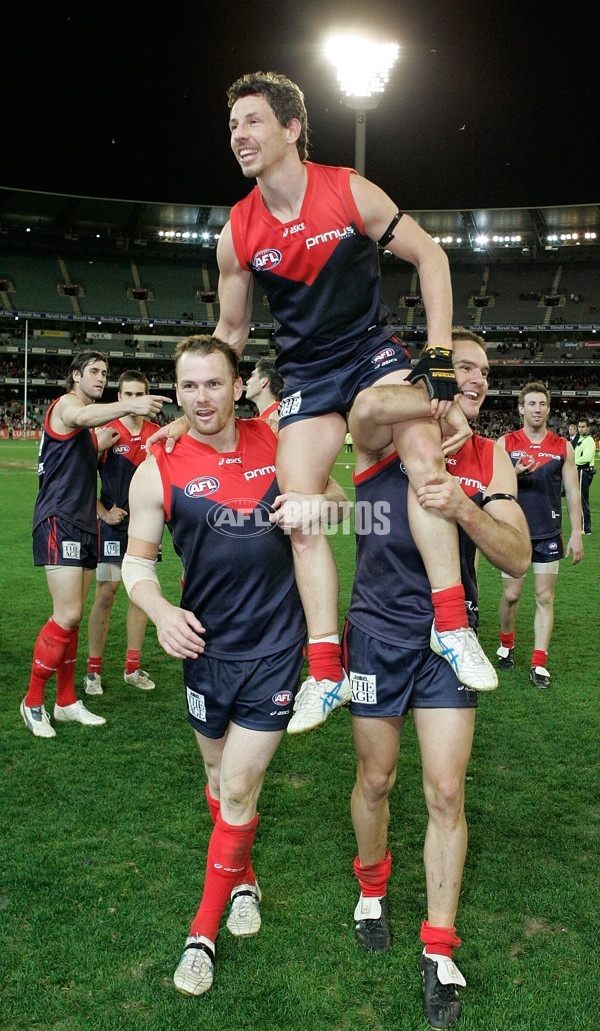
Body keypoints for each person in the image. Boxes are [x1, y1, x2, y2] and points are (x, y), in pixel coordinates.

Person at [153, 70, 497, 734]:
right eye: (231, 126)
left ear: (291, 128)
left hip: (370, 349)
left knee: (424, 453)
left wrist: (435, 361)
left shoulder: (347, 190)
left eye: (251, 121)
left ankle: (451, 626)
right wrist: (190, 404)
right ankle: (326, 670)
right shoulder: (238, 231)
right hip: (307, 371)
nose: (238, 135)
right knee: (297, 506)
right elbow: (228, 333)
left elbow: (430, 257)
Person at [122, 334, 346, 996]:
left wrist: (313, 503)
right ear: (178, 389)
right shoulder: (157, 465)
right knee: (220, 780)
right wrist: (162, 611)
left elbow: (340, 500)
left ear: (236, 383)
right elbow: (137, 563)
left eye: (213, 383)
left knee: (241, 786)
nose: (202, 397)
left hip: (275, 650)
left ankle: (201, 933)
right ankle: (242, 873)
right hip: (203, 651)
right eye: (189, 386)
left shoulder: (279, 444)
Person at [345, 330, 531, 1030]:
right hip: (374, 633)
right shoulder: (383, 430)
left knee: (447, 789)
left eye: (484, 367)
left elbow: (516, 555)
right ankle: (371, 885)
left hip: (446, 642)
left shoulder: (491, 456)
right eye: (462, 365)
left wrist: (460, 504)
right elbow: (360, 404)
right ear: (433, 372)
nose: (476, 377)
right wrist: (428, 404)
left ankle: (439, 945)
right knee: (376, 780)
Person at [21, 351, 171, 738]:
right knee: (68, 614)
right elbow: (82, 416)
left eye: (104, 372)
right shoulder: (68, 405)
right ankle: (33, 701)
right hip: (60, 520)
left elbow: (88, 434)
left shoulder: (91, 431)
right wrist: (129, 405)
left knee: (73, 616)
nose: (100, 377)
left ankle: (67, 701)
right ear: (75, 376)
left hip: (86, 525)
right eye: (93, 372)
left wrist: (97, 443)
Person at [496, 382, 583, 688]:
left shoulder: (563, 447)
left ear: (548, 409)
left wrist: (576, 533)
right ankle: (506, 644)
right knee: (511, 595)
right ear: (521, 408)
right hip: (514, 532)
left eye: (542, 404)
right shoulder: (504, 443)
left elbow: (573, 494)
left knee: (544, 596)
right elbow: (491, 487)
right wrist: (514, 473)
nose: (537, 409)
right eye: (531, 404)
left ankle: (538, 663)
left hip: (549, 532)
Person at [84, 370, 162, 697]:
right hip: (111, 525)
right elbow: (80, 479)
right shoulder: (106, 432)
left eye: (138, 394)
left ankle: (132, 667)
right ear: (119, 398)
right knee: (107, 591)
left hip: (145, 527)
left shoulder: (157, 434)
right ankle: (93, 671)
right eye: (127, 394)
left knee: (140, 594)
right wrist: (103, 513)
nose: (133, 400)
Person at [243, 357, 283, 433]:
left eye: (253, 375)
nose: (248, 381)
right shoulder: (265, 417)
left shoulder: (276, 416)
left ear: (264, 381)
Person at [574, 417, 595, 534]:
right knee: (579, 499)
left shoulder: (589, 441)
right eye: (579, 427)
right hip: (580, 471)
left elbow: (586, 458)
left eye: (583, 427)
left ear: (588, 428)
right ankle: (583, 526)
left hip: (583, 471)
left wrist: (573, 462)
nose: (580, 429)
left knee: (582, 500)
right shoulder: (581, 439)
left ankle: (585, 528)